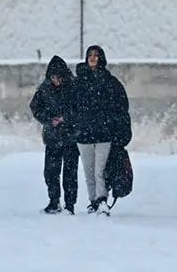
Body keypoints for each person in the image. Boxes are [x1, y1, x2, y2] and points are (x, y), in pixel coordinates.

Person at [74, 45, 130, 215]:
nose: (92, 58)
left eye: (96, 55)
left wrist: (118, 129)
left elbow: (121, 107)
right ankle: (93, 201)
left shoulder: (110, 83)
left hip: (104, 134)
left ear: (101, 58)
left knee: (100, 171)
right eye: (90, 55)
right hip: (84, 134)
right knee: (89, 172)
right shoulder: (79, 82)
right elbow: (71, 106)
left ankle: (101, 200)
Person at [29, 55, 79, 214]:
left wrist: (66, 118)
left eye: (58, 77)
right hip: (52, 136)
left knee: (70, 173)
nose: (56, 80)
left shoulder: (74, 87)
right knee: (51, 172)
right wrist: (49, 120)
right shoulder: (44, 89)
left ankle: (69, 204)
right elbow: (35, 108)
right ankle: (54, 201)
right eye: (53, 77)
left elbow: (81, 108)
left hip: (71, 136)